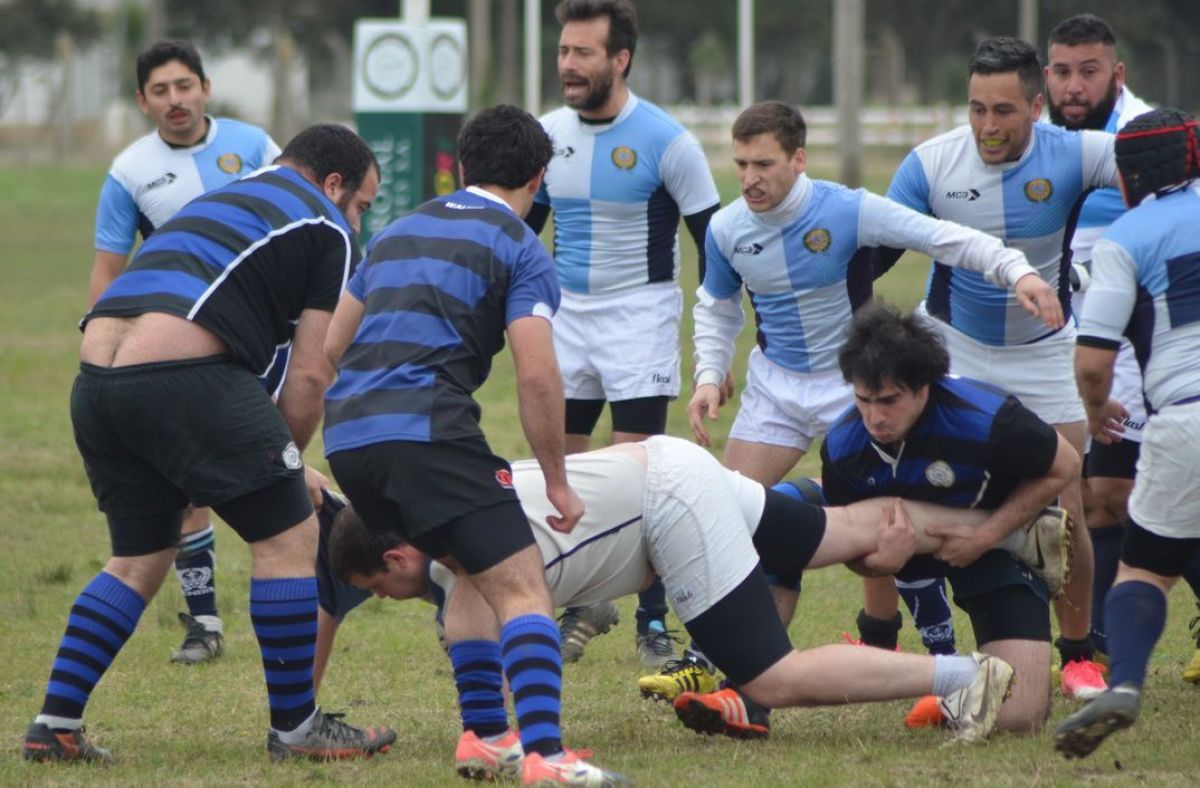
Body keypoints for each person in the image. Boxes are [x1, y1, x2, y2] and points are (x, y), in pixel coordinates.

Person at [324, 436, 1074, 773]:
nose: (390, 600)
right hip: (668, 459)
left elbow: (471, 636)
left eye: (379, 590)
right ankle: (1011, 530)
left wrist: (488, 740)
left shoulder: (463, 571)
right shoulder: (452, 506)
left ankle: (965, 678)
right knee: (839, 533)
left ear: (397, 557)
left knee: (767, 678)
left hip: (670, 502)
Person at [22, 124, 391, 764]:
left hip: (97, 377)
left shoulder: (229, 195)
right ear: (334, 185)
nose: (356, 220)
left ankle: (54, 725)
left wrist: (263, 459)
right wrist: (284, 465)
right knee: (290, 535)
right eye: (360, 204)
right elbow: (310, 373)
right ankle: (297, 729)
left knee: (139, 558)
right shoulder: (327, 227)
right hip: (178, 372)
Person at [321, 104, 623, 786]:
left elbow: (331, 347)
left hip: (349, 439)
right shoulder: (520, 248)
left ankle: (487, 736)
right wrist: (559, 481)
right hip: (427, 432)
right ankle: (546, 756)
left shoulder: (396, 232)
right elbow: (540, 374)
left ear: (460, 166)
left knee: (469, 571)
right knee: (524, 589)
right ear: (539, 178)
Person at [871, 36, 1115, 700]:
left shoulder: (1080, 152)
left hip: (1045, 352)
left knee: (1069, 504)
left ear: (1036, 107)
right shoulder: (929, 164)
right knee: (906, 480)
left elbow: (1154, 173)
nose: (987, 127)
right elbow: (878, 249)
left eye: (1003, 111)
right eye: (977, 109)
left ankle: (1080, 651)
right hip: (954, 346)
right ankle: (896, 638)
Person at [528, 0, 722, 669]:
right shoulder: (546, 135)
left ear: (621, 60)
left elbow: (713, 245)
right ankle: (585, 598)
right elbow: (523, 232)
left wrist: (718, 349)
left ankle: (652, 617)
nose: (568, 66)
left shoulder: (669, 142)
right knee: (568, 469)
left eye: (583, 53)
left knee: (637, 477)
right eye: (563, 52)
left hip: (640, 315)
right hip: (565, 316)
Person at [88, 40, 282, 664]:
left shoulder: (255, 147)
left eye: (185, 86)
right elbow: (108, 274)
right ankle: (205, 624)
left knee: (287, 472)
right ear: (143, 101)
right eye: (161, 91)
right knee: (187, 488)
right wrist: (98, 349)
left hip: (269, 338)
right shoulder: (128, 172)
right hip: (186, 350)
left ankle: (319, 586)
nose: (176, 100)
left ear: (205, 87)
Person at [814, 302, 1079, 738]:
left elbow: (1065, 465)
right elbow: (850, 545)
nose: (875, 417)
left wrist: (987, 536)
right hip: (910, 547)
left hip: (989, 548)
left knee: (1019, 718)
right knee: (825, 512)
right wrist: (878, 564)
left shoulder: (988, 420)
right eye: (864, 400)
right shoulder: (844, 445)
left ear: (925, 388)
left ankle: (954, 695)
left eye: (889, 401)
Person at [1045, 14, 1200, 683]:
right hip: (1085, 334)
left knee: (1131, 490)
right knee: (1101, 492)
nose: (1074, 86)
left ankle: (1112, 644)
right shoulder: (1041, 141)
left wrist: (1096, 387)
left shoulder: (1148, 138)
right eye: (1061, 72)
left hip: (1139, 344)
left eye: (1089, 71)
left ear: (1117, 73)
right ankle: (1101, 644)